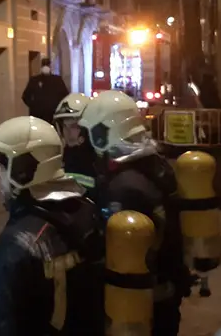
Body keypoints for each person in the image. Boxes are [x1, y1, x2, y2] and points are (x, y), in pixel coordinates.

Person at [78, 90, 191, 336]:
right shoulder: (155, 165)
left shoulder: (123, 188)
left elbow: (110, 246)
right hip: (165, 288)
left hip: (138, 303)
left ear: (103, 133)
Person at [0, 116, 104, 335]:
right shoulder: (86, 211)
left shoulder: (19, 241)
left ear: (23, 169)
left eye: (2, 165)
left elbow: (1, 326)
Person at [53, 93, 98, 202]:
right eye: (64, 126)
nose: (67, 133)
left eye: (74, 126)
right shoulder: (61, 157)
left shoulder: (96, 161)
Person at [21, 58, 70, 124]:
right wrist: (34, 106)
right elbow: (25, 96)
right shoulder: (34, 80)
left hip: (52, 115)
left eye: (47, 64)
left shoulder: (57, 80)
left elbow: (65, 96)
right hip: (39, 115)